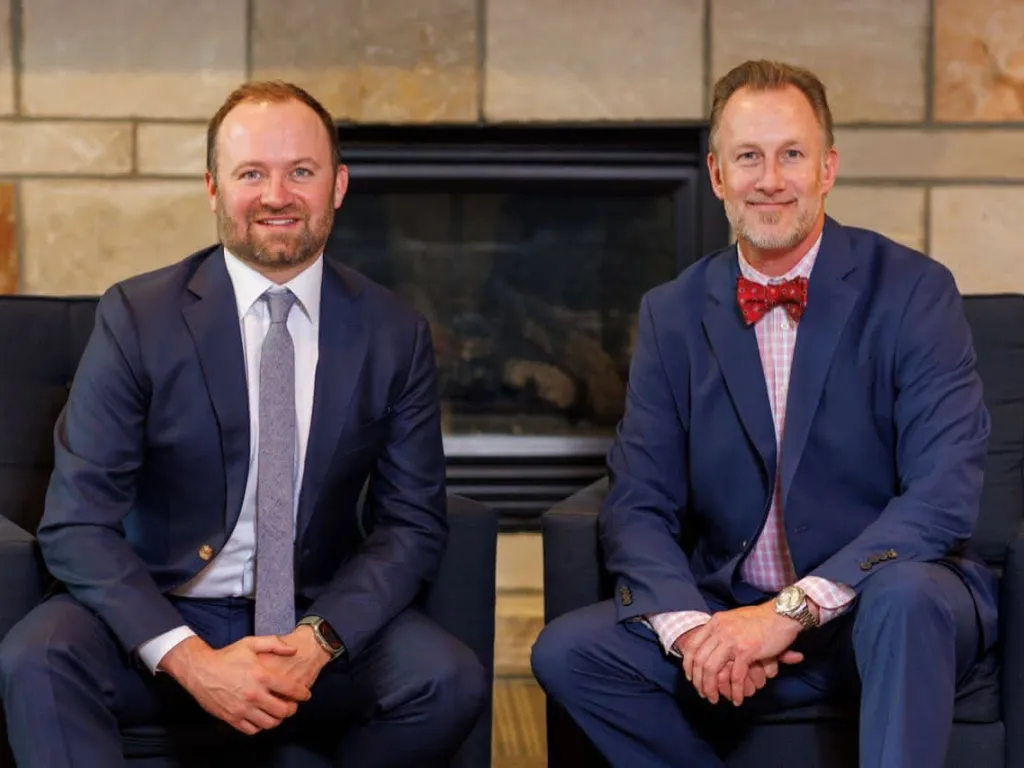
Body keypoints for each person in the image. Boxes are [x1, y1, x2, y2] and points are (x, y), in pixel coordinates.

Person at [0, 80, 486, 767]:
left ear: (339, 185)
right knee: (36, 659)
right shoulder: (138, 319)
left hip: (312, 622)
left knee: (447, 679)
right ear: (213, 187)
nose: (277, 195)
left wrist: (320, 639)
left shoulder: (393, 332)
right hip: (163, 609)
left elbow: (412, 522)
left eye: (302, 172)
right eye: (251, 173)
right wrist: (192, 661)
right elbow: (77, 522)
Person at [531, 59, 998, 768]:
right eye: (749, 157)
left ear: (827, 168)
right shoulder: (671, 313)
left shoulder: (914, 293)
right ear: (717, 175)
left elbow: (943, 495)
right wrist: (696, 633)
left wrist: (787, 615)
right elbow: (638, 503)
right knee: (567, 653)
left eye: (792, 155)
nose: (771, 179)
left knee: (906, 597)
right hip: (734, 606)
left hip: (879, 605)